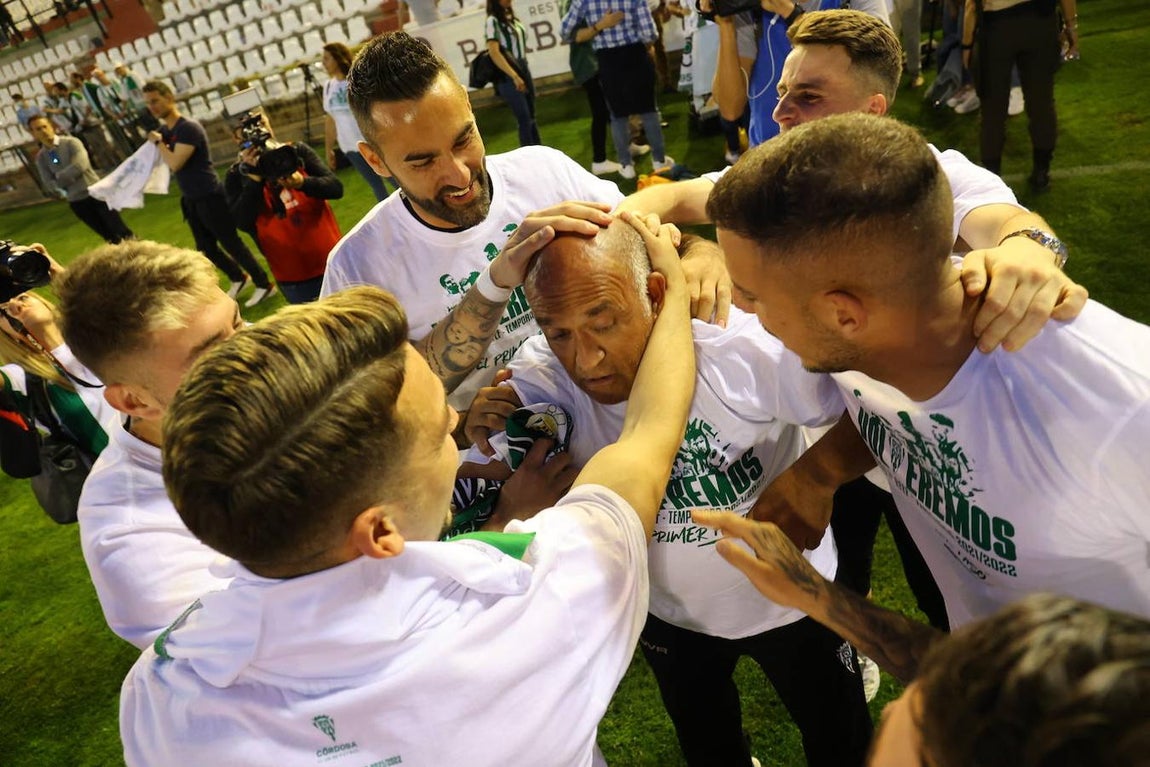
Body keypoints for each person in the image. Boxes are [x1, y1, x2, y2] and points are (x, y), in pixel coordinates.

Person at [118, 214, 697, 766]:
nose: (456, 422)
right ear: (380, 531)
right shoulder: (527, 602)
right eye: (439, 433)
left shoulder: (161, 692)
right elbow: (647, 435)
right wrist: (673, 279)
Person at [621, 9, 1088, 632]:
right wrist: (681, 242)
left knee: (949, 599)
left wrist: (1029, 250)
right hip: (845, 426)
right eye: (782, 92)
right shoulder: (791, 176)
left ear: (873, 112)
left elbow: (1006, 223)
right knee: (845, 559)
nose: (781, 112)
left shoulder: (925, 177)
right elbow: (681, 195)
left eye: (808, 97)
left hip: (930, 455)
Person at [705, 113, 1150, 678]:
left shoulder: (1118, 404)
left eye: (751, 295)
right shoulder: (878, 336)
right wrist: (817, 476)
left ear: (843, 315)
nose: (742, 309)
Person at [464, 221, 872, 766]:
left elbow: (884, 402)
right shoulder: (542, 377)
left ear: (655, 293)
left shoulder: (738, 347)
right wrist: (478, 421)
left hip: (795, 598)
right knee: (709, 749)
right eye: (558, 333)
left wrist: (817, 474)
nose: (585, 359)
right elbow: (476, 454)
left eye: (602, 323)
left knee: (843, 743)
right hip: (669, 618)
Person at [322, 32, 621, 410]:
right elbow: (371, 406)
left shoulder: (544, 171)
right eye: (423, 162)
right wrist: (462, 427)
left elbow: (647, 238)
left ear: (467, 103)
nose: (459, 175)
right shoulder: (355, 268)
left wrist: (690, 259)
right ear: (375, 161)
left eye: (463, 140)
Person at [54, 240, 245, 648]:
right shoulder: (134, 538)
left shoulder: (259, 393)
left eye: (238, 322)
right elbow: (261, 659)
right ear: (134, 401)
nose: (255, 351)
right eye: (215, 353)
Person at [143, 81, 277, 307]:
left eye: (155, 100)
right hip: (191, 197)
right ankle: (238, 277)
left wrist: (158, 143)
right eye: (148, 103)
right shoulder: (166, 131)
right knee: (206, 249)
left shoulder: (188, 128)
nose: (152, 107)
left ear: (170, 98)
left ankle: (264, 284)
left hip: (209, 194)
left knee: (231, 243)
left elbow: (175, 163)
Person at [709, 0, 890, 148]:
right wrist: (725, 20)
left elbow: (879, 66)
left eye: (809, 96)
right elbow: (730, 109)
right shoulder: (750, 9)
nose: (778, 114)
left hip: (841, 155)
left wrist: (789, 12)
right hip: (768, 157)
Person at [224, 113, 343, 304]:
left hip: (334, 261)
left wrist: (302, 183)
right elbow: (242, 222)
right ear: (236, 138)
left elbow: (336, 189)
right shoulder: (237, 174)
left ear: (269, 123)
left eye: (261, 123)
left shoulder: (295, 151)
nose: (258, 132)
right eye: (247, 131)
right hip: (293, 277)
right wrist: (254, 180)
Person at [965, 0, 1077, 189]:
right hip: (1040, 21)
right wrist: (1071, 25)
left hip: (997, 27)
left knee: (993, 111)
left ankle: (992, 179)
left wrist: (966, 44)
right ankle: (1041, 172)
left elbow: (971, 5)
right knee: (1041, 103)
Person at [560, 0, 674, 179]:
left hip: (607, 60)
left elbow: (565, 31)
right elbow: (650, 33)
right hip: (636, 54)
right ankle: (659, 161)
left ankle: (626, 165)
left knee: (618, 115)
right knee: (648, 111)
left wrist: (597, 27)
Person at [30, 115, 134, 244]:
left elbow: (80, 165)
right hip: (77, 202)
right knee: (109, 238)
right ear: (33, 133)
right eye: (38, 129)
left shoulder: (71, 143)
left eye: (44, 126)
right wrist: (63, 179)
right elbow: (48, 182)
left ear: (51, 126)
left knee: (122, 231)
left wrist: (59, 178)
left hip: (96, 194)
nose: (43, 131)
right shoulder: (41, 157)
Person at [321, 41, 392, 202]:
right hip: (349, 147)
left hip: (370, 141)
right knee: (377, 187)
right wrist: (329, 149)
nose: (324, 63)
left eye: (327, 58)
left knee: (394, 178)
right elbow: (330, 120)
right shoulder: (328, 87)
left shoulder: (357, 79)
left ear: (338, 58)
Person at [561, 0, 622, 175]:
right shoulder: (573, 4)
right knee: (600, 111)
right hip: (588, 65)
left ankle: (625, 146)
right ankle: (599, 160)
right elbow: (576, 36)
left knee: (611, 110)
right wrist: (601, 25)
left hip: (596, 61)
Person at [485, 0, 541, 146]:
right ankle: (528, 155)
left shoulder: (510, 16)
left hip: (522, 67)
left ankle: (539, 152)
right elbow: (494, 52)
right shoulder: (492, 21)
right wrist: (514, 76)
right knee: (524, 118)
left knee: (531, 117)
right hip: (508, 73)